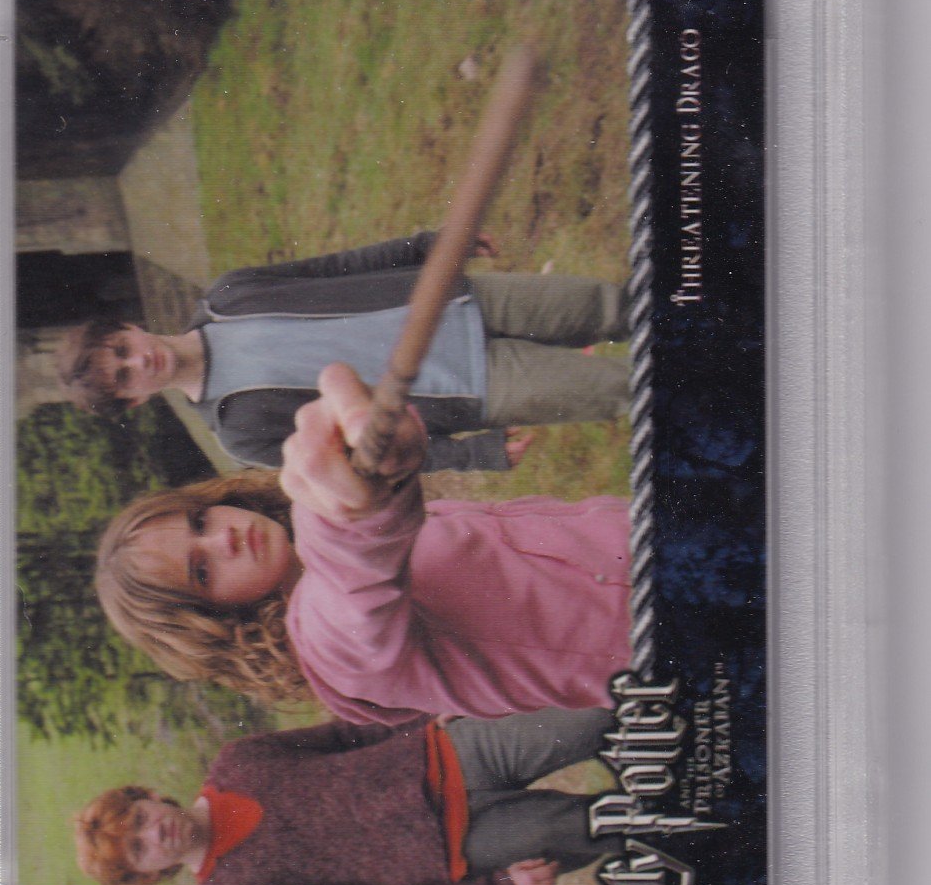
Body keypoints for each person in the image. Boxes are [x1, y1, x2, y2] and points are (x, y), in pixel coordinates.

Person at [94, 363, 631, 721]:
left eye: (199, 522)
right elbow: (351, 570)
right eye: (202, 571)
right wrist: (344, 508)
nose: (224, 539)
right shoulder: (330, 650)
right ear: (213, 619)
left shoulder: (302, 547)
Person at [57, 230, 628, 472]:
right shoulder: (239, 432)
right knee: (623, 389)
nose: (138, 362)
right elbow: (365, 463)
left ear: (129, 327)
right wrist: (472, 455)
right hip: (471, 386)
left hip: (458, 299)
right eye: (125, 377)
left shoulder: (230, 295)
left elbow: (337, 268)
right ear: (135, 401)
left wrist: (429, 245)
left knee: (615, 306)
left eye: (123, 349)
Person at [73, 705, 625, 885]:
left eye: (140, 818)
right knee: (598, 826)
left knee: (597, 719)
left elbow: (347, 734)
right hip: (464, 847)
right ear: (150, 875)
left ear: (149, 796)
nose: (154, 833)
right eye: (140, 849)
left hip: (452, 753)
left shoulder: (238, 761)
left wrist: (427, 712)